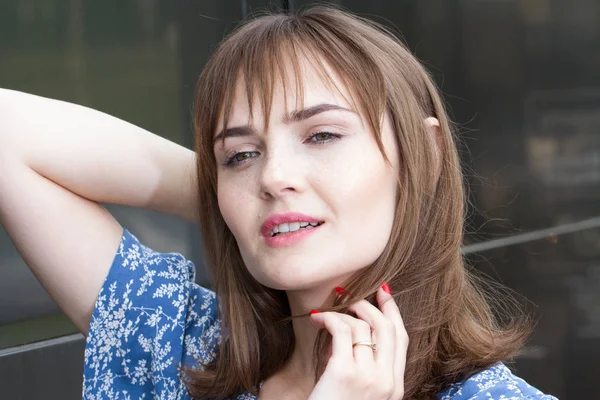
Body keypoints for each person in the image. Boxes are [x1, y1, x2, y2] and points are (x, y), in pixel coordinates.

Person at [0, 5, 558, 400]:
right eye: (241, 154)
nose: (275, 175)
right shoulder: (177, 348)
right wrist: (235, 206)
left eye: (321, 136)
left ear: (426, 155)